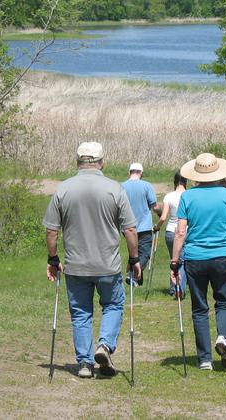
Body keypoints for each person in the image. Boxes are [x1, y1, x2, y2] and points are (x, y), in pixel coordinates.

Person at [43, 142, 141, 379]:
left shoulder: (63, 189)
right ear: (102, 162)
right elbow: (129, 229)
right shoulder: (115, 189)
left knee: (80, 313)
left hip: (76, 265)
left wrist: (53, 259)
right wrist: (134, 258)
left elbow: (52, 231)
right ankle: (104, 345)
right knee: (113, 305)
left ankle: (85, 363)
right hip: (108, 264)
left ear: (78, 162)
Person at [170, 153, 226, 371]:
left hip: (195, 258)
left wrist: (175, 261)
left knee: (199, 308)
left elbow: (180, 232)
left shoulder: (187, 197)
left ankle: (205, 359)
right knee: (224, 302)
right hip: (223, 256)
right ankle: (223, 337)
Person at [122, 162, 161, 283]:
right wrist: (161, 214)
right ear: (141, 173)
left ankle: (137, 280)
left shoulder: (121, 186)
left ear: (129, 172)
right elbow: (154, 206)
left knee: (133, 253)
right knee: (145, 253)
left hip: (127, 227)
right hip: (144, 227)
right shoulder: (146, 185)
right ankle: (133, 275)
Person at [153, 171, 188, 297]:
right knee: (183, 261)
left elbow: (163, 217)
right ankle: (180, 287)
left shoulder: (169, 196)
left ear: (175, 181)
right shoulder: (188, 195)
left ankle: (174, 288)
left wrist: (156, 227)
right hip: (185, 231)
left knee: (174, 260)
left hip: (170, 232)